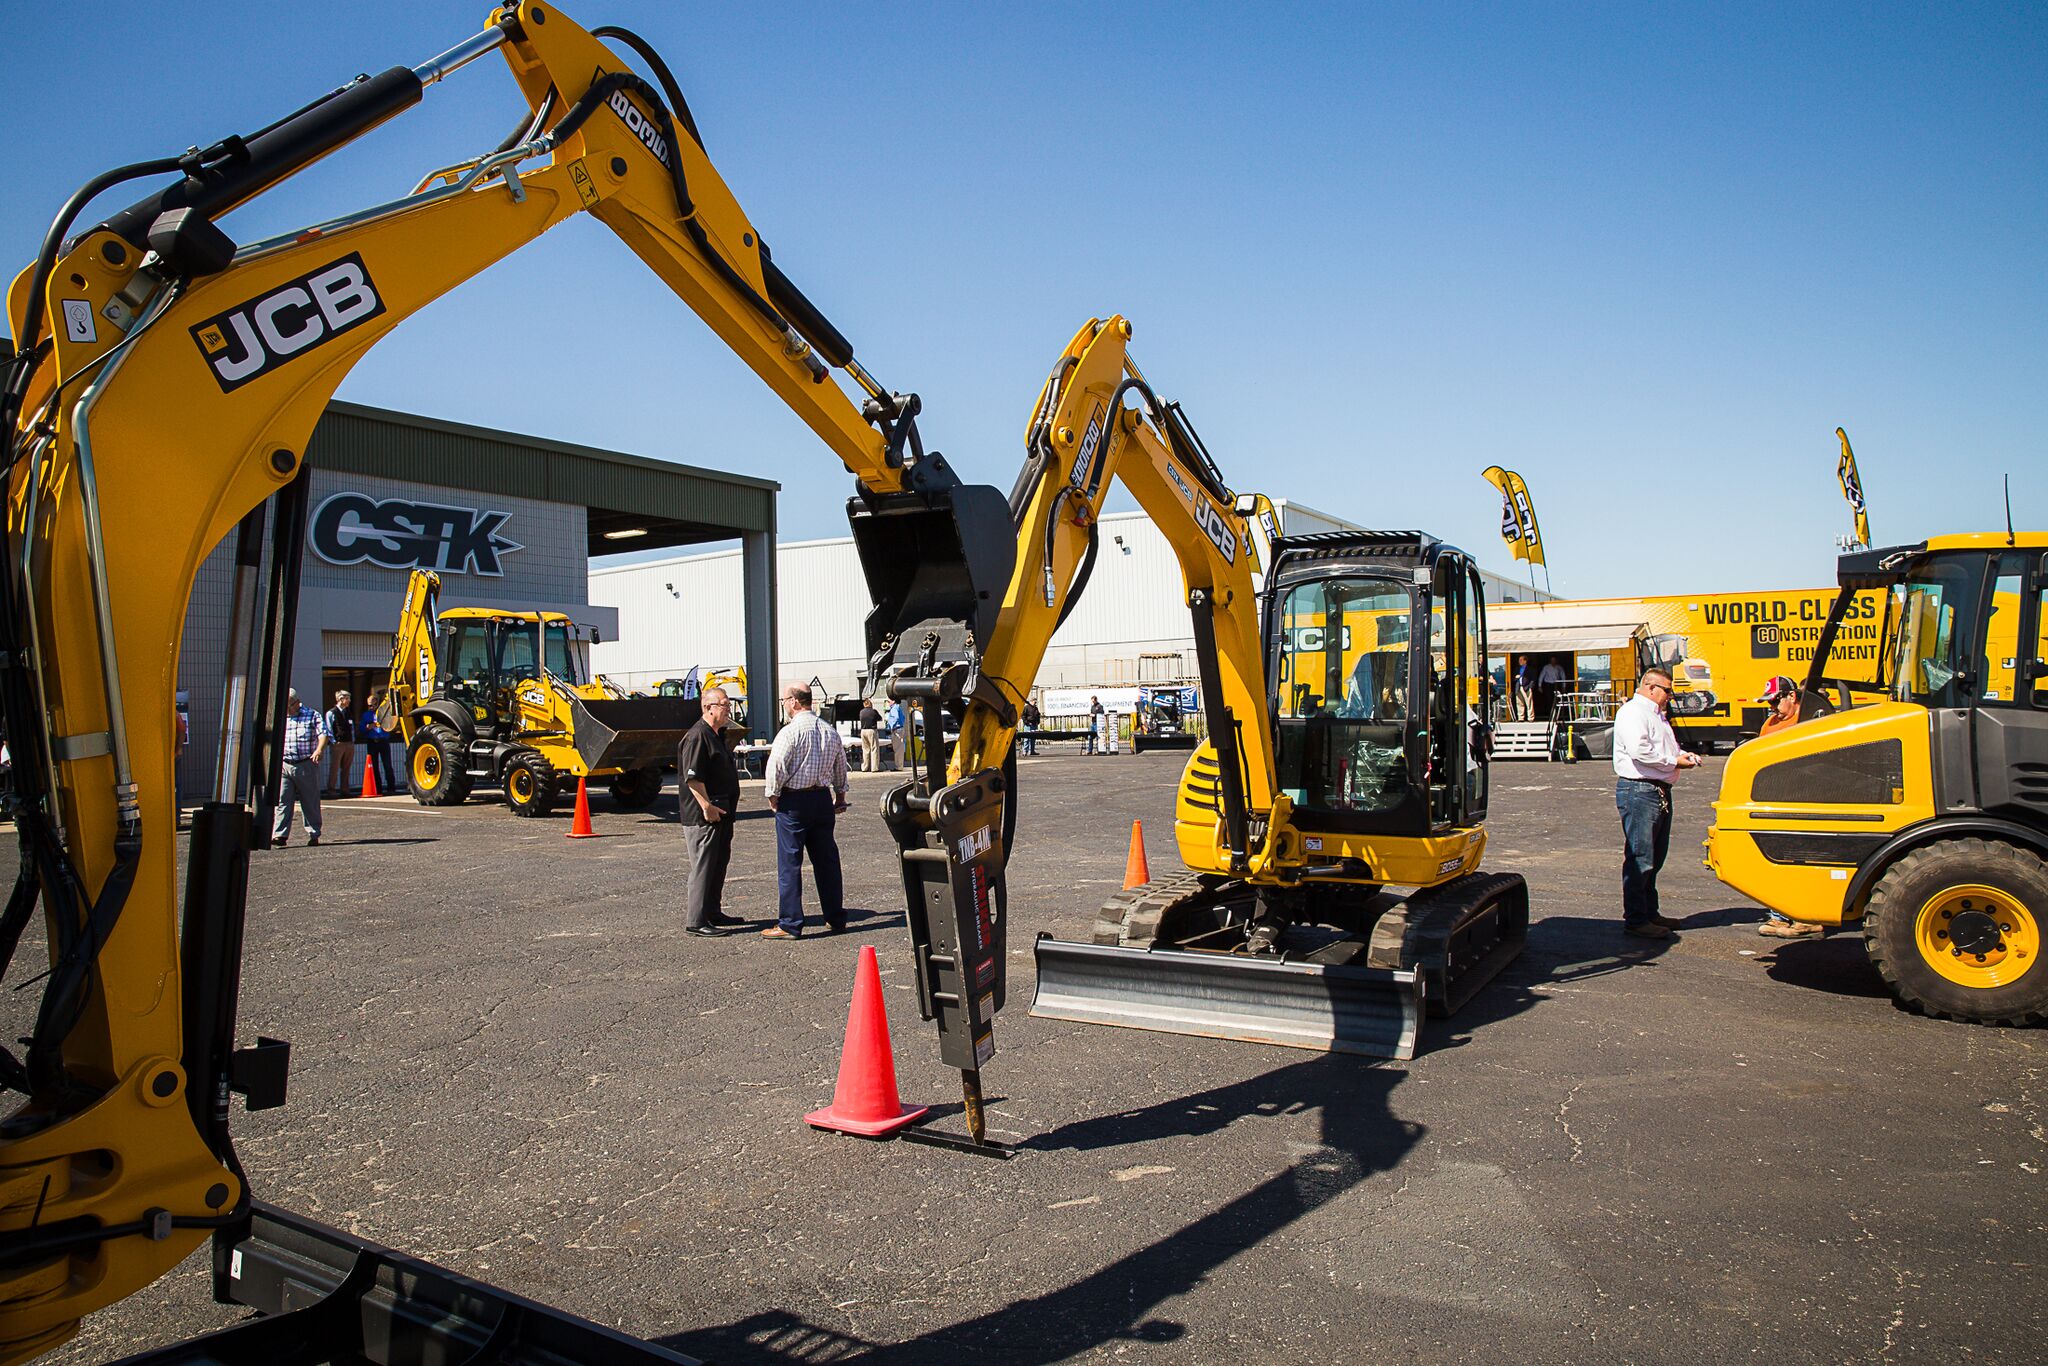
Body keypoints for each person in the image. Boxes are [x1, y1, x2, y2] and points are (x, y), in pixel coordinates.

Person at [1612, 667, 1702, 939]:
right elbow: (1640, 752)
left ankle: (1649, 912)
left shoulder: (1655, 715)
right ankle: (1637, 919)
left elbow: (1664, 749)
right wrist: (1674, 761)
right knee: (1641, 857)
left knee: (1654, 856)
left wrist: (1681, 755)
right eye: (1666, 691)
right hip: (1640, 789)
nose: (1669, 696)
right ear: (1651, 688)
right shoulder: (1634, 713)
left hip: (1654, 790)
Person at [760, 684, 849, 939]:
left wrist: (773, 796)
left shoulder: (790, 733)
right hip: (821, 799)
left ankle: (790, 923)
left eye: (785, 700)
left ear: (794, 702)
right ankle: (835, 916)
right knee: (827, 862)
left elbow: (776, 766)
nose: (785, 704)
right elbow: (840, 767)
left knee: (790, 863)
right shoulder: (829, 731)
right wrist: (840, 796)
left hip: (794, 801)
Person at [1749, 675, 1824, 939]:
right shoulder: (1771, 724)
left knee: (1804, 856)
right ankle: (1779, 915)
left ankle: (1807, 917)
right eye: (1769, 703)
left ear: (1791, 696)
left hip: (1804, 797)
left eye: (1776, 701)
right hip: (1777, 798)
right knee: (1777, 856)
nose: (1772, 707)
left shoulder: (1811, 720)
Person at [676, 687, 745, 937]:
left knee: (718, 864)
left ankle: (712, 911)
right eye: (724, 705)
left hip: (722, 812)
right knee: (704, 866)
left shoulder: (717, 734)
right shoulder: (697, 736)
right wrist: (706, 807)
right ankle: (696, 920)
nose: (728, 709)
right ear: (709, 707)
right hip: (704, 815)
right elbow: (692, 778)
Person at [274, 687, 330, 847]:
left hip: (306, 763)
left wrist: (319, 750)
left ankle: (314, 833)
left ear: (297, 703)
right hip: (285, 764)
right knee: (282, 800)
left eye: (289, 707)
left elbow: (323, 733)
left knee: (309, 801)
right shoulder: (281, 716)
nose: (287, 710)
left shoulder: (312, 715)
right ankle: (280, 835)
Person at [360, 689, 398, 794]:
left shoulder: (384, 713)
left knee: (387, 765)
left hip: (383, 741)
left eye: (373, 705)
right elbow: (362, 729)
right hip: (372, 741)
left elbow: (391, 724)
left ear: (377, 704)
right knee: (374, 766)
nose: (371, 708)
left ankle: (391, 787)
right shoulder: (366, 715)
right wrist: (368, 727)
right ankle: (378, 788)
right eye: (369, 706)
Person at [324, 689, 355, 796]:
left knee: (346, 768)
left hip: (349, 743)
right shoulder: (331, 713)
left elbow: (352, 728)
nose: (349, 701)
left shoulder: (348, 712)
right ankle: (331, 789)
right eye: (347, 698)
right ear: (340, 699)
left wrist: (353, 740)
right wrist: (334, 741)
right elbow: (328, 729)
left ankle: (345, 789)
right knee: (335, 767)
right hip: (338, 744)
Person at [1536, 655, 1570, 722]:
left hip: (1556, 684)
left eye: (1554, 660)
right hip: (1548, 685)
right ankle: (1550, 714)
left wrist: (1564, 686)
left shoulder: (1559, 667)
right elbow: (1541, 676)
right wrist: (1539, 686)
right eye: (1552, 660)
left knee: (1557, 699)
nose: (1553, 661)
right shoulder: (1546, 667)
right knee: (1549, 699)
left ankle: (1556, 714)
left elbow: (1563, 676)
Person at [859, 698, 883, 773]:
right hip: (871, 730)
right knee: (874, 749)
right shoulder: (873, 711)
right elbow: (880, 718)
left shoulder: (861, 712)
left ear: (864, 704)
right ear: (870, 704)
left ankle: (865, 767)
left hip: (863, 731)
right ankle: (874, 768)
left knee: (865, 749)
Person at [886, 697, 907, 772]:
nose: (888, 703)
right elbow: (903, 718)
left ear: (893, 701)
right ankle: (899, 765)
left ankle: (898, 767)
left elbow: (896, 717)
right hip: (900, 729)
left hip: (896, 730)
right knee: (899, 748)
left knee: (897, 749)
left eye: (889, 701)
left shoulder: (894, 708)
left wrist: (892, 727)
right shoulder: (898, 708)